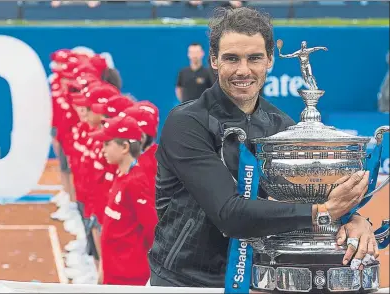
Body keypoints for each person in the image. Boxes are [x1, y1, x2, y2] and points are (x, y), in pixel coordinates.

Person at [149, 7, 379, 287]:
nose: (243, 70)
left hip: (259, 279)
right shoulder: (186, 123)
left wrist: (352, 218)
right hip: (185, 283)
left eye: (254, 58)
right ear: (214, 60)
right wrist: (325, 212)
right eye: (231, 58)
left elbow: (309, 195)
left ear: (269, 59)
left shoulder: (281, 125)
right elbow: (229, 214)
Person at [90, 115, 158, 286]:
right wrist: (103, 270)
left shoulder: (136, 182)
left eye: (107, 144)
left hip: (129, 277)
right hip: (114, 272)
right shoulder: (121, 176)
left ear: (125, 147)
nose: (102, 149)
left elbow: (151, 229)